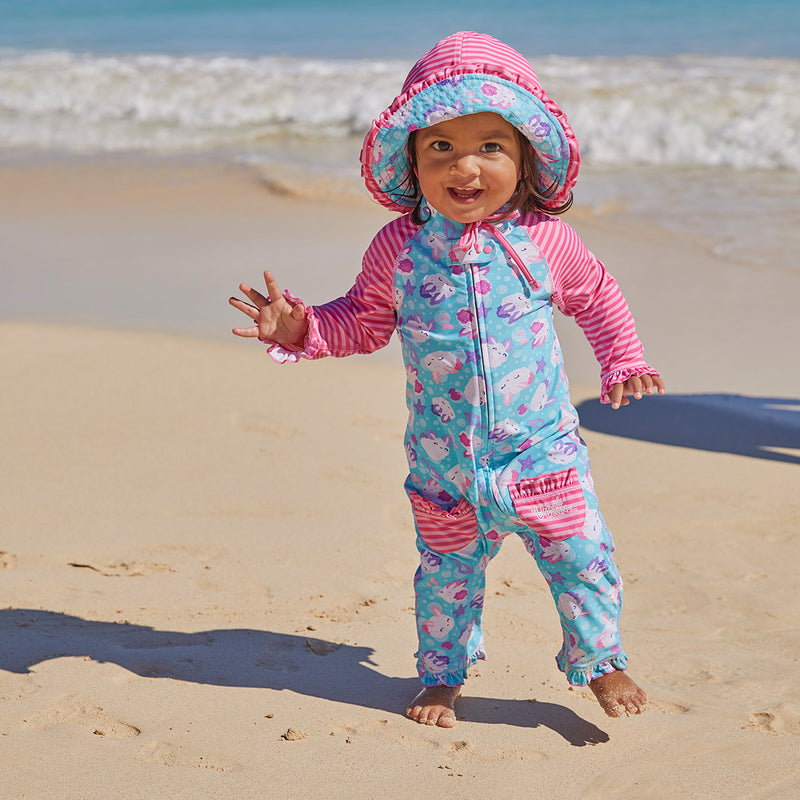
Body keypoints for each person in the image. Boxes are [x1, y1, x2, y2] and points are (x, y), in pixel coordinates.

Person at [229, 31, 665, 728]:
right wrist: (299, 328)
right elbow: (362, 321)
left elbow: (596, 294)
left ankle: (602, 660)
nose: (466, 166)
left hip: (540, 454)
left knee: (581, 555)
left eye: (490, 145)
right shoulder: (399, 249)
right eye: (441, 147)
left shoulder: (542, 240)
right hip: (444, 464)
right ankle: (443, 675)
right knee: (445, 577)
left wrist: (624, 357)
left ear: (524, 160)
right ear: (412, 161)